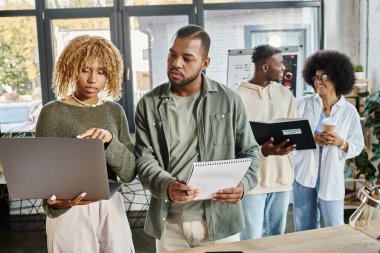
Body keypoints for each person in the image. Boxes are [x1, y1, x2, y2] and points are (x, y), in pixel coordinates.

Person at [134, 25, 260, 252]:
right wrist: (166, 185)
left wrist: (243, 186)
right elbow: (144, 159)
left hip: (220, 222)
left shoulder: (229, 100)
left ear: (205, 63)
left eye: (187, 58)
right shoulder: (148, 104)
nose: (176, 63)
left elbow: (250, 151)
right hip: (169, 223)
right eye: (172, 54)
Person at [35, 35, 136, 253]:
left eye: (101, 72)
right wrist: (53, 204)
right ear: (71, 68)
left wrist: (109, 141)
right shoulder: (52, 113)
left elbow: (129, 172)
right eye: (85, 69)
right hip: (71, 209)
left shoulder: (114, 111)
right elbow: (42, 174)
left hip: (111, 204)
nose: (92, 79)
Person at [292, 50, 364, 231]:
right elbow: (290, 135)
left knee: (335, 226)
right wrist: (311, 139)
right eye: (315, 77)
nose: (318, 81)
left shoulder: (348, 111)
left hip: (331, 175)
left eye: (324, 76)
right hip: (303, 172)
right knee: (304, 226)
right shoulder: (303, 103)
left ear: (338, 79)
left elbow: (357, 145)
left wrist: (341, 142)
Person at [235, 44, 298, 239]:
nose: (284, 68)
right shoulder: (238, 96)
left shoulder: (286, 94)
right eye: (279, 64)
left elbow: (295, 130)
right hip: (253, 182)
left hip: (282, 179)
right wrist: (262, 150)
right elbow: (233, 141)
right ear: (265, 67)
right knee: (251, 240)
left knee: (277, 239)